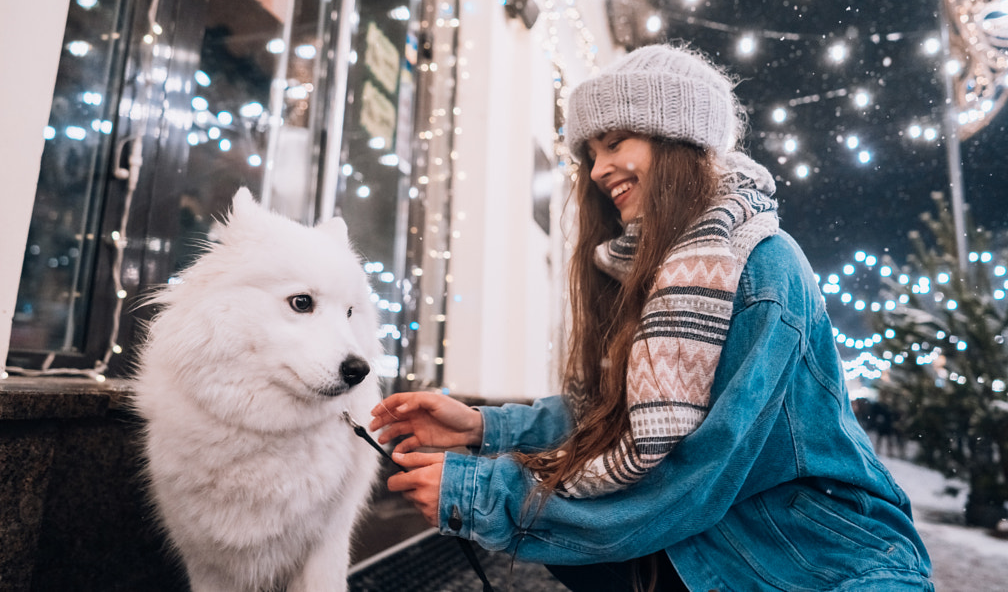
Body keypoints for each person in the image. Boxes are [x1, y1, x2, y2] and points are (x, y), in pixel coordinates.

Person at [370, 44, 933, 591]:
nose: (596, 170)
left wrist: (485, 495)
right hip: (715, 544)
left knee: (563, 531)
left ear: (679, 142)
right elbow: (617, 415)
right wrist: (483, 426)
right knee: (571, 541)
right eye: (590, 153)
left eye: (615, 143)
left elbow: (695, 471)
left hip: (813, 563)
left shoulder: (761, 266)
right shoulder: (651, 267)